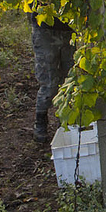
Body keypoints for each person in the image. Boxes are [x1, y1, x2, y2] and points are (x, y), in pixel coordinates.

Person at [30, 12, 75, 144]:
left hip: (70, 28)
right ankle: (41, 121)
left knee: (71, 80)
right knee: (49, 83)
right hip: (44, 29)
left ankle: (65, 121)